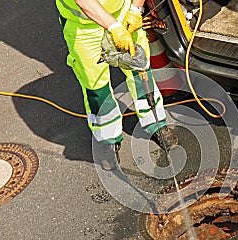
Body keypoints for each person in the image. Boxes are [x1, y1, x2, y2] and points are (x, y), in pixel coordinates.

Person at [56, 0, 178, 170]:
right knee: (97, 87)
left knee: (141, 73)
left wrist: (136, 9)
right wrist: (114, 28)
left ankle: (155, 122)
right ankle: (108, 140)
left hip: (124, 14)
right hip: (83, 27)